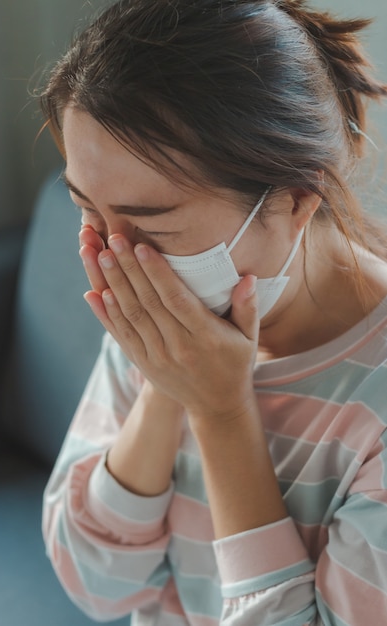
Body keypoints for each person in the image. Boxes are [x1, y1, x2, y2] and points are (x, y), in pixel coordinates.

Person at [41, 0, 387, 624]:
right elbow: (97, 586)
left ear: (294, 201)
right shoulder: (159, 319)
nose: (113, 259)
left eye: (151, 225)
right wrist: (164, 387)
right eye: (87, 210)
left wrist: (222, 412)